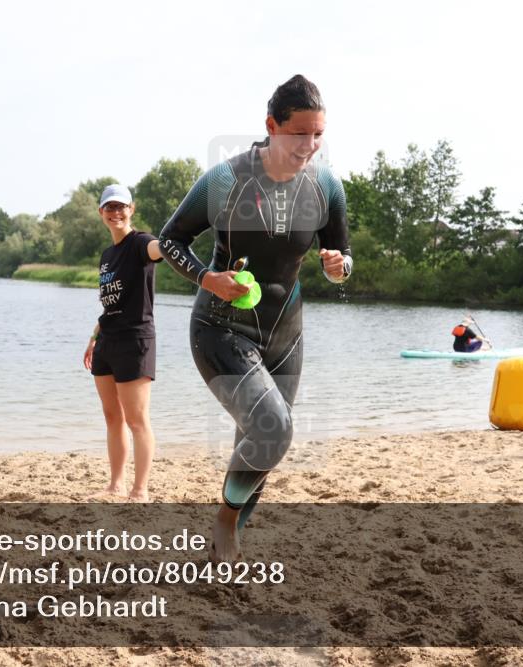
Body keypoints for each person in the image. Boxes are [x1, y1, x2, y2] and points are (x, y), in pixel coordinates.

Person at [158, 75, 352, 560]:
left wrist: (338, 267)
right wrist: (208, 278)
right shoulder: (226, 179)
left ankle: (228, 537)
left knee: (263, 437)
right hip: (221, 326)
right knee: (274, 428)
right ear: (271, 125)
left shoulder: (326, 185)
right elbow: (170, 240)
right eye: (299, 133)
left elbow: (342, 257)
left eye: (318, 134)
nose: (309, 145)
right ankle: (226, 523)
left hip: (286, 335)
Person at [83, 184, 163, 500]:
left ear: (132, 209)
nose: (115, 213)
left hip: (135, 340)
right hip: (107, 340)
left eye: (121, 207)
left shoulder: (140, 243)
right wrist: (94, 337)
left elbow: (160, 249)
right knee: (112, 416)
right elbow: (110, 305)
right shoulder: (108, 255)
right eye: (109, 207)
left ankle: (140, 490)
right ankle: (115, 485)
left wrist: (170, 245)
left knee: (137, 420)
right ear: (101, 212)